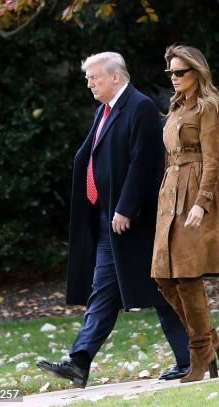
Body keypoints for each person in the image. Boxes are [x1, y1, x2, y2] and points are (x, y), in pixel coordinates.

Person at [36, 52, 190, 387]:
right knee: (103, 292)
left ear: (115, 77)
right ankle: (79, 362)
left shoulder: (140, 107)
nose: (89, 83)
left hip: (136, 221)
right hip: (108, 219)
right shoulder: (103, 111)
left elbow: (143, 162)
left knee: (163, 290)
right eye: (88, 78)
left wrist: (126, 208)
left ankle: (194, 356)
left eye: (94, 77)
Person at [151, 44, 219, 383]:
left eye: (179, 72)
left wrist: (202, 201)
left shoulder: (208, 108)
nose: (173, 78)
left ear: (196, 73)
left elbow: (213, 159)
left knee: (187, 275)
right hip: (169, 194)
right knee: (162, 276)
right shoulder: (176, 107)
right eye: (170, 72)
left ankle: (199, 350)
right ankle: (208, 339)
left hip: (194, 193)